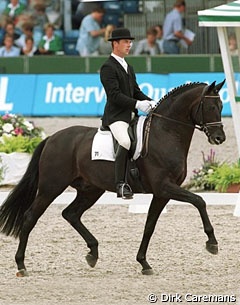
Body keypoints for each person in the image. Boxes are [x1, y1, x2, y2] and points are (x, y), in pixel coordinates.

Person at [100, 28, 155, 199]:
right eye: (125, 42)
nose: (129, 45)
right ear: (115, 44)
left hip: (131, 116)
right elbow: (115, 96)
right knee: (124, 141)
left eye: (130, 42)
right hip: (116, 116)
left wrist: (152, 102)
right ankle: (121, 184)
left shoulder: (128, 67)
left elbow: (135, 91)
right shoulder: (107, 67)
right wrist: (138, 104)